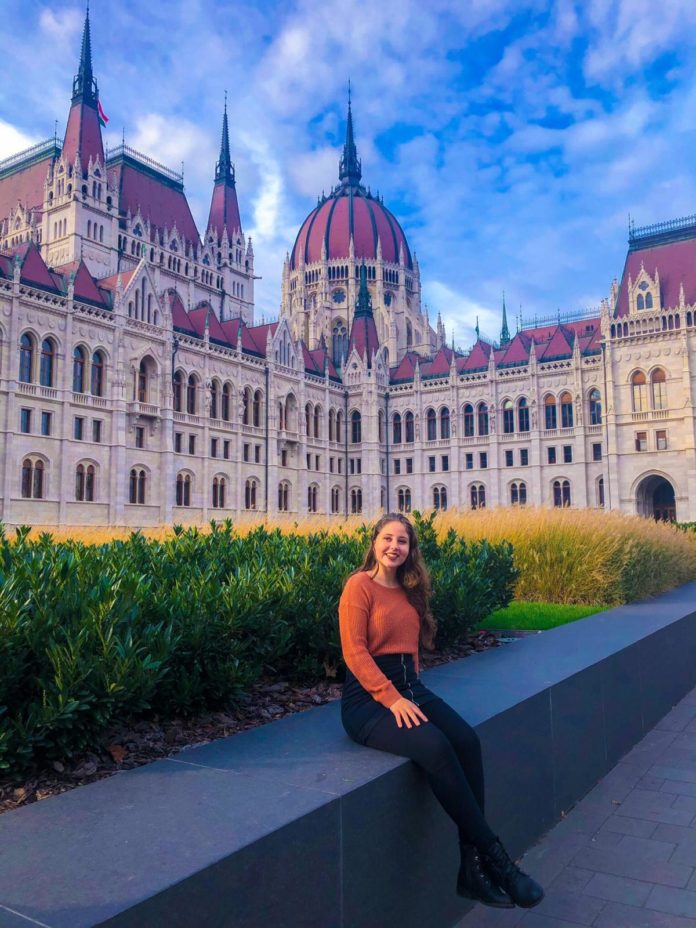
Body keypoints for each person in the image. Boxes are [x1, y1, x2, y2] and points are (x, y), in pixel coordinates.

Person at [338, 512, 544, 910]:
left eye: (402, 541)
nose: (394, 547)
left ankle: (471, 868)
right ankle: (498, 861)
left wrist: (410, 691)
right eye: (387, 538)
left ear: (411, 550)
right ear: (374, 542)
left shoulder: (411, 590)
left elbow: (410, 651)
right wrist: (391, 698)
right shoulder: (358, 585)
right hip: (367, 699)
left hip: (409, 686)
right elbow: (354, 652)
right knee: (434, 747)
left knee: (466, 740)